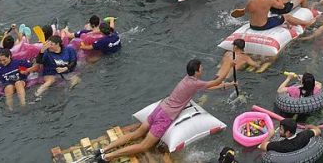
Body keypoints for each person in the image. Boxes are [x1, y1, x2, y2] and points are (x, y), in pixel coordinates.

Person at [96, 59, 234, 161]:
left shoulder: (187, 79)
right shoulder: (195, 83)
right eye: (201, 68)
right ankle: (108, 157)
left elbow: (209, 86)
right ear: (197, 71)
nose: (203, 70)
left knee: (137, 133)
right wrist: (229, 65)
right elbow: (215, 81)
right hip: (165, 117)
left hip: (160, 108)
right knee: (144, 146)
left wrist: (226, 85)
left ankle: (103, 150)